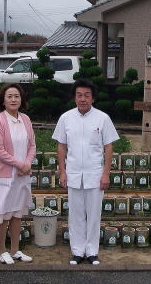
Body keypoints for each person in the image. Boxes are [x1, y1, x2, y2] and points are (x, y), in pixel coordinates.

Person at [52, 78, 119, 265]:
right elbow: (61, 146)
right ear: (74, 98)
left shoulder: (103, 118)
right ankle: (77, 251)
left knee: (94, 214)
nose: (83, 99)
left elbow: (109, 147)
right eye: (79, 95)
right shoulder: (66, 118)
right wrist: (62, 172)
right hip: (73, 174)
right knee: (75, 215)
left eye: (87, 95)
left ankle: (92, 252)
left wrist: (106, 174)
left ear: (93, 98)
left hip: (95, 174)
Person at [0, 83, 35, 265]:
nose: (13, 99)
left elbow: (32, 145)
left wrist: (27, 163)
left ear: (21, 100)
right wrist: (20, 164)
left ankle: (15, 250)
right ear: (3, 101)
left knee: (17, 213)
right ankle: (2, 251)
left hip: (22, 175)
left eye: (16, 96)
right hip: (4, 175)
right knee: (2, 213)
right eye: (9, 96)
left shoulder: (26, 120)